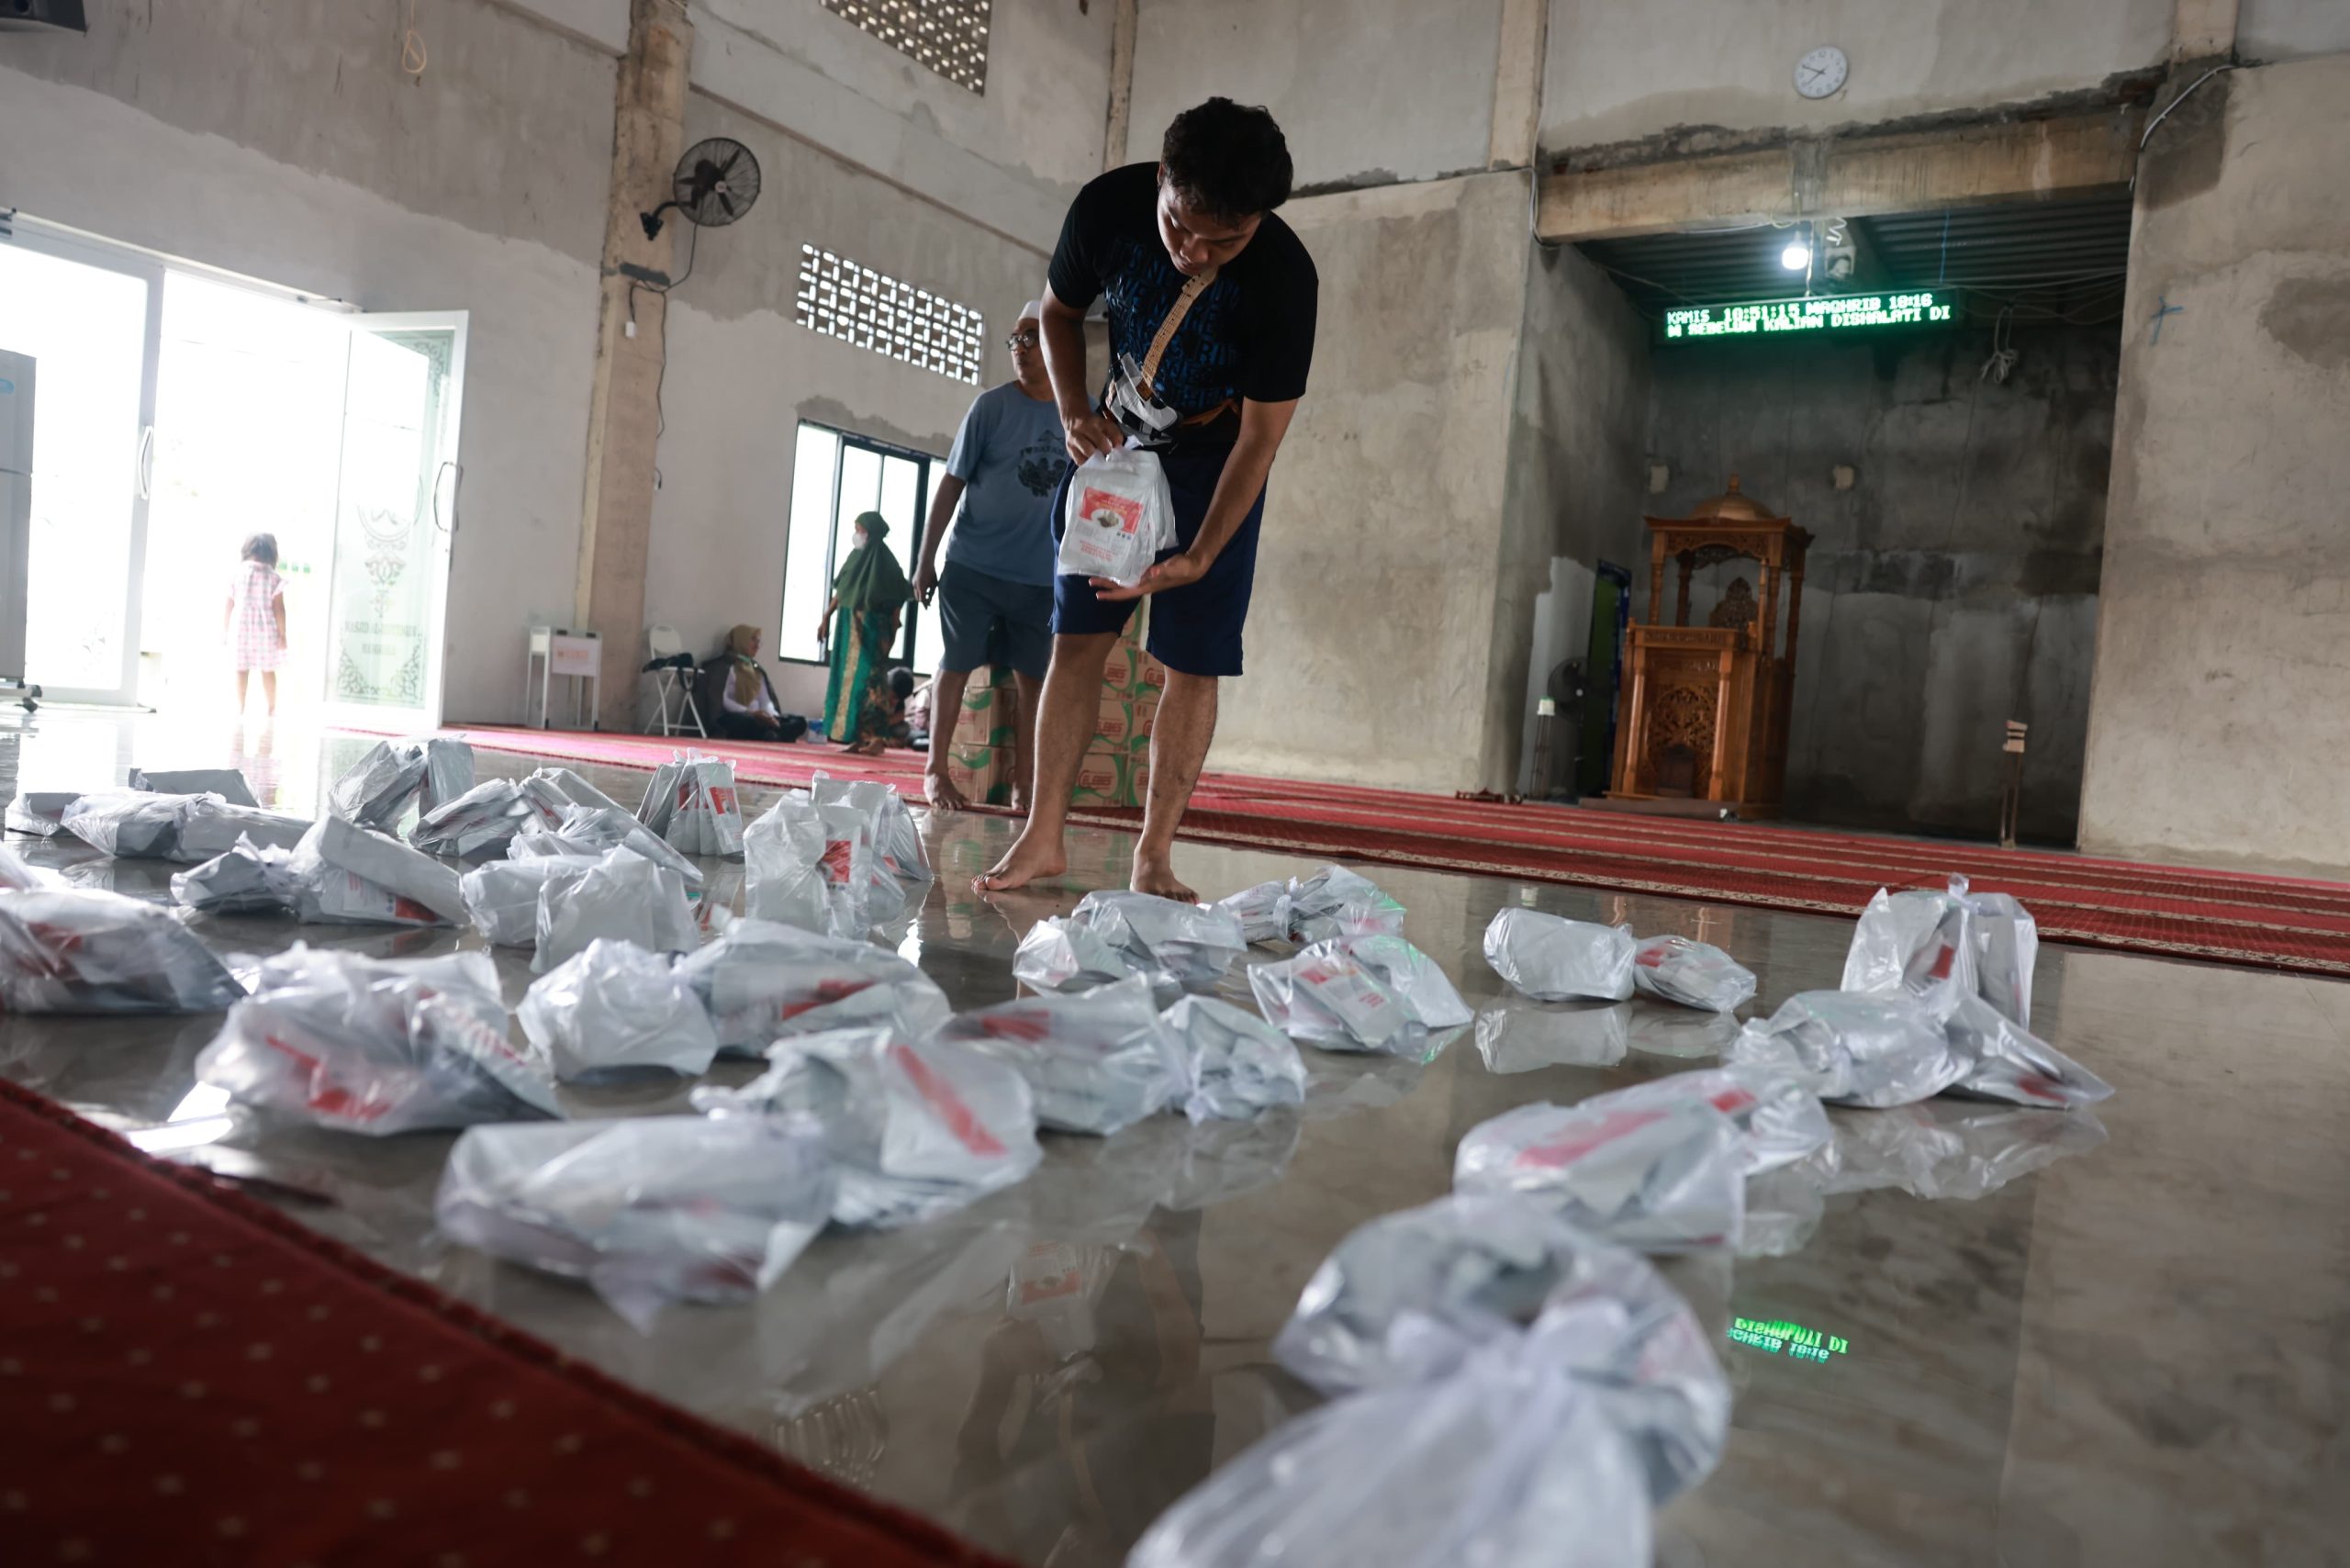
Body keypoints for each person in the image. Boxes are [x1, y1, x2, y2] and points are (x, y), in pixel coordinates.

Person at [977, 98, 1317, 900]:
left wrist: (1201, 554)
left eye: (1225, 239)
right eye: (1180, 227)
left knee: (1191, 664)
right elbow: (1058, 314)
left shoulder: (1285, 282)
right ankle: (1043, 837)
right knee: (1078, 637)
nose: (1197, 251)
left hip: (1214, 458)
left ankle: (1153, 855)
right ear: (1162, 179)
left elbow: (1259, 441)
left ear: (1258, 221)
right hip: (1116, 446)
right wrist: (1069, 408)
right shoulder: (1107, 209)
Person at [912, 301, 1069, 812]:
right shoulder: (991, 407)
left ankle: (1026, 786)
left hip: (1041, 580)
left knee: (1033, 681)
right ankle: (935, 774)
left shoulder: (1079, 411)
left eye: (1030, 338)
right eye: (1014, 341)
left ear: (1053, 344)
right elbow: (951, 482)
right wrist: (925, 557)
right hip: (973, 568)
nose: (1019, 349)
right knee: (955, 665)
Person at [819, 511, 912, 746]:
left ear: (870, 532)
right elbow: (842, 592)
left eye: (859, 529)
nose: (856, 535)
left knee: (867, 679)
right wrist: (826, 617)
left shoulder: (887, 564)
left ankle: (867, 733)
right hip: (847, 624)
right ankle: (841, 731)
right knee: (843, 677)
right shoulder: (855, 558)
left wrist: (893, 633)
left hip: (871, 630)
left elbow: (896, 601)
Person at [700, 624, 802, 743]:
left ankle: (772, 733)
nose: (757, 645)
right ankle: (774, 735)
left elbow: (765, 700)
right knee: (748, 723)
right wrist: (752, 713)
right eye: (753, 640)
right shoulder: (723, 667)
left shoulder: (755, 668)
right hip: (736, 716)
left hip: (760, 717)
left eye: (759, 641)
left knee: (799, 722)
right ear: (741, 640)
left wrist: (772, 716)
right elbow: (722, 701)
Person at [224, 532, 288, 718]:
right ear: (271, 553)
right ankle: (271, 708)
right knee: (268, 669)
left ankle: (240, 707)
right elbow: (279, 609)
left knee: (241, 668)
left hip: (241, 629)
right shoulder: (273, 577)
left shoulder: (238, 574)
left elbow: (228, 604)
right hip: (266, 630)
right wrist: (282, 634)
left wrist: (225, 630)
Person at [847, 666, 917, 756]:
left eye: (898, 699)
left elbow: (901, 715)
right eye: (894, 697)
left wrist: (884, 724)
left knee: (903, 729)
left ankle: (879, 740)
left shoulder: (899, 695)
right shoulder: (874, 691)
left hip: (885, 726)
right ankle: (874, 740)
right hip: (867, 724)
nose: (895, 701)